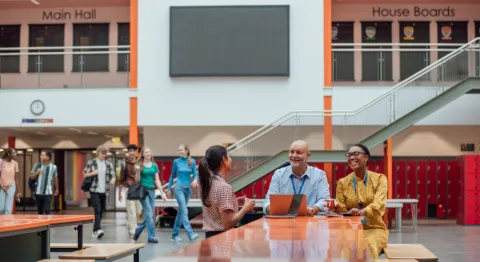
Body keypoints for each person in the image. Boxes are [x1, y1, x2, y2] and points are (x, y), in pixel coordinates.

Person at [326, 144, 388, 258]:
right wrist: (338, 208)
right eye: (349, 155)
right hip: (350, 228)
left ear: (366, 157)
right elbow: (342, 207)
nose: (351, 157)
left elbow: (378, 204)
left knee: (368, 247)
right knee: (345, 248)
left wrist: (362, 211)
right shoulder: (343, 182)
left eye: (356, 154)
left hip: (374, 228)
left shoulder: (379, 179)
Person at [198, 145, 256, 239]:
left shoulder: (209, 183)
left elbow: (216, 207)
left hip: (209, 237)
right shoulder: (224, 187)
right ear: (223, 160)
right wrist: (246, 208)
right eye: (228, 156)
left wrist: (234, 202)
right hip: (221, 239)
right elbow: (228, 224)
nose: (231, 159)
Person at [263, 140, 331, 216]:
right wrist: (270, 209)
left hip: (311, 223)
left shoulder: (319, 175)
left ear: (308, 156)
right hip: (284, 222)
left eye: (299, 152)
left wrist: (311, 210)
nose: (294, 156)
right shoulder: (279, 174)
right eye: (292, 152)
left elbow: (325, 201)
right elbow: (268, 201)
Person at [133, 146, 168, 243]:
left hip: (152, 191)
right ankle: (151, 236)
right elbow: (137, 180)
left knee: (150, 214)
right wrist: (137, 171)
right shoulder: (139, 164)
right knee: (149, 213)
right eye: (146, 152)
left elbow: (157, 180)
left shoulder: (154, 165)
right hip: (142, 191)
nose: (148, 153)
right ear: (143, 154)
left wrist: (162, 193)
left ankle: (138, 229)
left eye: (149, 152)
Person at [167, 144, 199, 242]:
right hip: (178, 188)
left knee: (181, 212)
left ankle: (174, 235)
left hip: (187, 189)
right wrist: (169, 189)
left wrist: (195, 180)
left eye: (181, 150)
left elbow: (195, 174)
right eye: (178, 150)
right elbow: (172, 176)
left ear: (186, 151)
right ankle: (190, 233)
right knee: (184, 211)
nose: (179, 152)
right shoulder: (176, 162)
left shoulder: (192, 161)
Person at [83, 145, 116, 239]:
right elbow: (85, 174)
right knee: (97, 209)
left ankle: (95, 230)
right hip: (94, 190)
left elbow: (113, 175)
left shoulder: (108, 164)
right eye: (102, 153)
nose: (103, 155)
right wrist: (92, 173)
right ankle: (98, 229)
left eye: (105, 154)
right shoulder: (91, 162)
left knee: (101, 211)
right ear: (98, 153)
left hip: (104, 191)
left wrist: (113, 180)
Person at [118, 151, 142, 238]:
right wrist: (119, 193)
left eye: (133, 156)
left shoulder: (139, 165)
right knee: (132, 211)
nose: (132, 157)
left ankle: (130, 223)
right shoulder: (124, 165)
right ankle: (133, 230)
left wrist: (138, 171)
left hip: (138, 189)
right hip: (129, 189)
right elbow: (121, 180)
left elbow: (139, 180)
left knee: (138, 211)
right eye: (130, 156)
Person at [30, 150, 59, 214]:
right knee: (40, 211)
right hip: (38, 192)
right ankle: (41, 224)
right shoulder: (37, 165)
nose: (41, 157)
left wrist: (56, 189)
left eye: (43, 155)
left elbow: (55, 178)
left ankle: (48, 223)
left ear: (48, 157)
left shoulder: (54, 167)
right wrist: (37, 173)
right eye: (41, 155)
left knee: (47, 210)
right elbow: (31, 177)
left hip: (48, 192)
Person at [0, 148, 20, 214]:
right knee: (1, 208)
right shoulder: (1, 162)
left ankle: (7, 224)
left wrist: (18, 191)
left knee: (8, 209)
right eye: (14, 153)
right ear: (8, 154)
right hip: (2, 187)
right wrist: (3, 188)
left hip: (12, 186)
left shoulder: (15, 163)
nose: (15, 154)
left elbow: (16, 178)